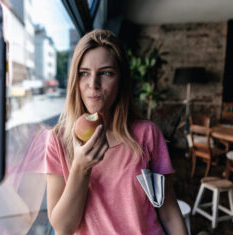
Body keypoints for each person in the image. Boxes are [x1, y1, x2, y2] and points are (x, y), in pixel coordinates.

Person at [45, 29, 187, 235]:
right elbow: (63, 227)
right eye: (84, 73)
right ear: (75, 79)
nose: (93, 84)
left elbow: (168, 212)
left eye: (105, 73)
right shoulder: (58, 140)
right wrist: (80, 167)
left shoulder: (147, 135)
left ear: (121, 80)